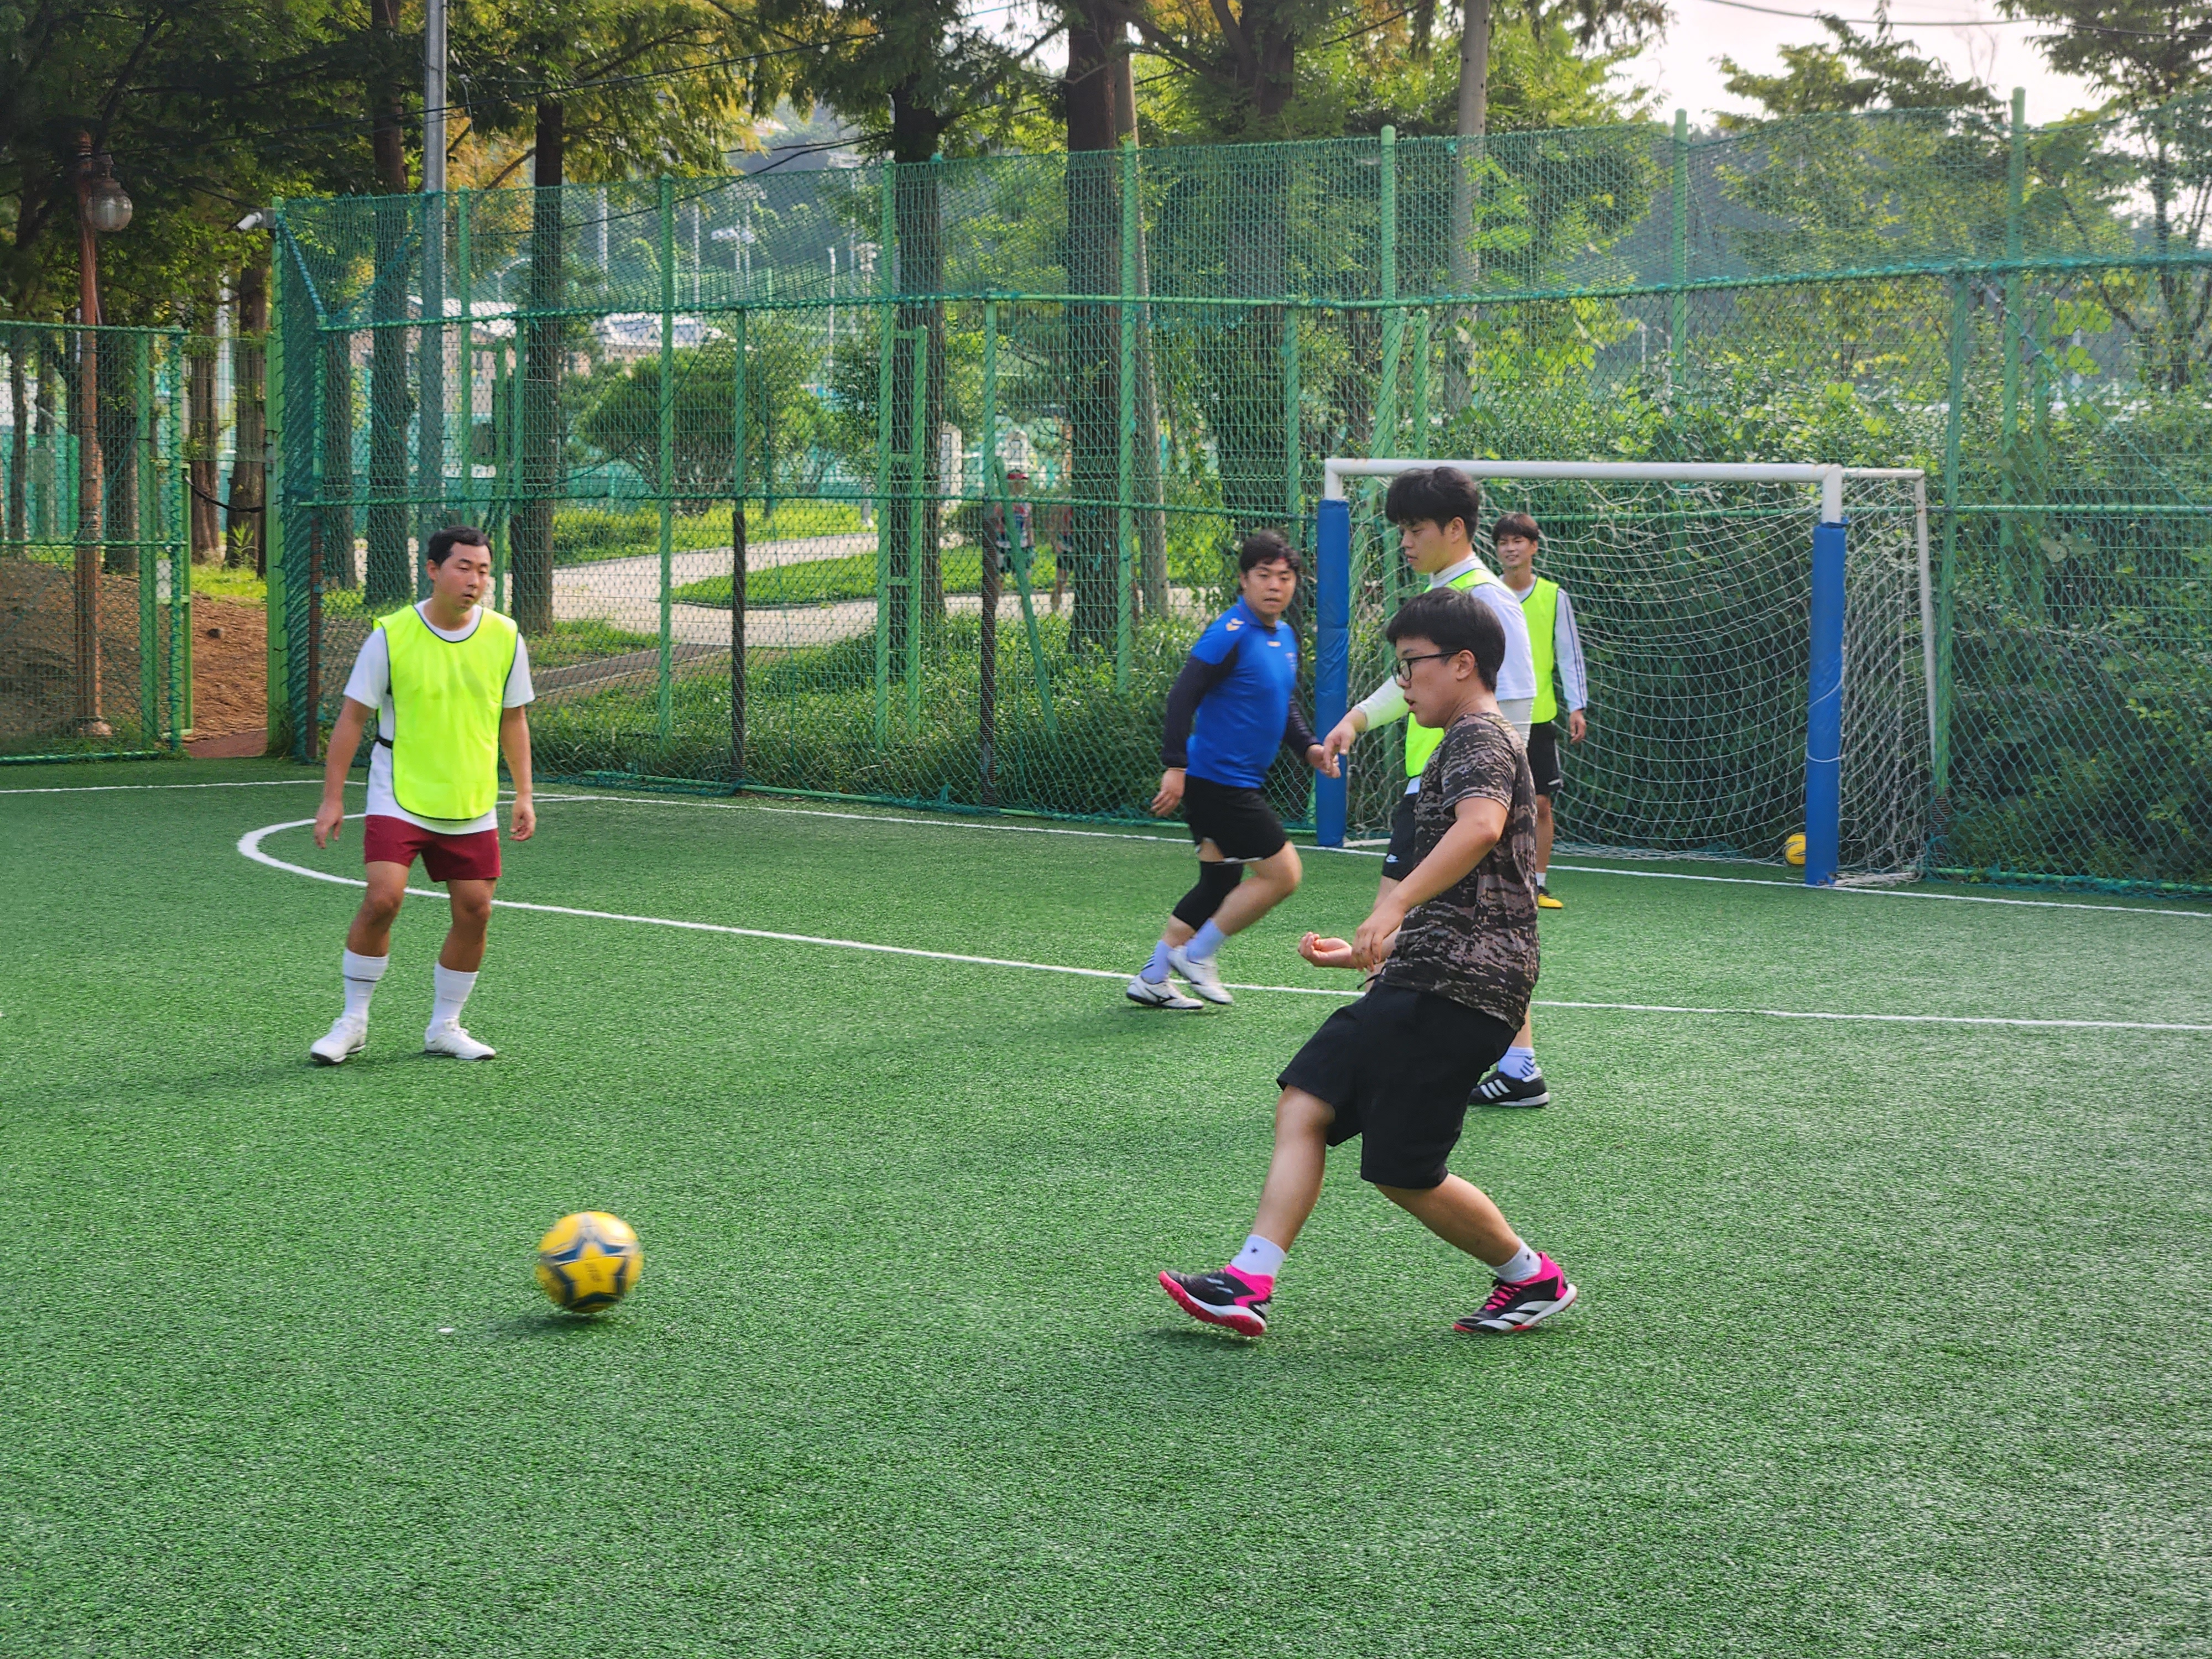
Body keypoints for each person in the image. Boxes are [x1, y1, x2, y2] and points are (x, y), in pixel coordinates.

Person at [1159, 586, 1577, 1338]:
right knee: (1343, 1126)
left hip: (1457, 986)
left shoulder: (1479, 736)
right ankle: (1252, 1279)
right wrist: (1365, 950)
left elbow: (1480, 828)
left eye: (1411, 665)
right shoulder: (1470, 737)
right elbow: (1474, 887)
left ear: (1462, 664)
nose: (1403, 683)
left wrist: (1391, 906)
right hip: (1442, 980)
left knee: (1364, 1140)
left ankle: (1526, 1277)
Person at [1317, 467, 1556, 1110]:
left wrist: (1492, 789)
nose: (1405, 541)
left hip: (1456, 797)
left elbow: (1516, 701)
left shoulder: (1487, 599)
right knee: (1470, 927)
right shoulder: (1443, 598)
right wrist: (1356, 720)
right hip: (1441, 791)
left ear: (1455, 529)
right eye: (1400, 528)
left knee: (1402, 915)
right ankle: (1517, 1064)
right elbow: (1408, 682)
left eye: (1415, 528)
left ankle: (1366, 1063)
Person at [309, 525, 536, 1064]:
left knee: (476, 910)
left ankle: (444, 1027)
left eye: (484, 570)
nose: (475, 580)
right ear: (433, 570)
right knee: (383, 898)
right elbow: (352, 719)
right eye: (464, 567)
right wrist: (333, 799)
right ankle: (352, 1023)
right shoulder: (391, 635)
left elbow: (514, 719)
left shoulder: (505, 637)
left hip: (469, 795)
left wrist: (525, 794)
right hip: (399, 789)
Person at [1128, 529, 1337, 1011]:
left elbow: (1281, 703)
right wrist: (1175, 766)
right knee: (1284, 874)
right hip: (1217, 782)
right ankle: (1197, 954)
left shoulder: (1284, 637)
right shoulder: (1231, 632)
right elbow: (1183, 695)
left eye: (1285, 577)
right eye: (1264, 575)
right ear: (1244, 580)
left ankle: (1153, 978)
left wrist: (1308, 747)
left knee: (1219, 883)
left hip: (1228, 782)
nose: (1275, 585)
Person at [1491, 512, 1589, 911]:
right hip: (1492, 715)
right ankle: (1488, 883)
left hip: (1539, 715)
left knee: (1542, 803)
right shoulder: (1486, 593)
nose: (1510, 549)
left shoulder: (1554, 596)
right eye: (1503, 542)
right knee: (1490, 803)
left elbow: (1569, 653)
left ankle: (1538, 884)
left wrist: (1576, 705)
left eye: (1518, 541)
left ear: (1533, 547)